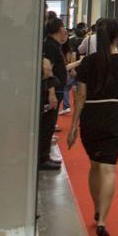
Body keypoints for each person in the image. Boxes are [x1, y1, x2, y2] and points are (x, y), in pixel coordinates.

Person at [66, 18, 118, 236]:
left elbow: (80, 96)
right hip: (112, 115)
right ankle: (102, 221)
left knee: (94, 166)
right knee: (108, 169)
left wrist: (73, 127)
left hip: (90, 117)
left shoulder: (88, 62)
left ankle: (97, 209)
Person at [39, 18, 69, 171]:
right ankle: (42, 158)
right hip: (53, 90)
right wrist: (51, 92)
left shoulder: (54, 45)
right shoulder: (50, 46)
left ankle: (45, 156)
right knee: (47, 124)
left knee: (50, 124)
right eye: (63, 26)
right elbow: (47, 70)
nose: (65, 30)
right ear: (58, 29)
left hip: (56, 89)